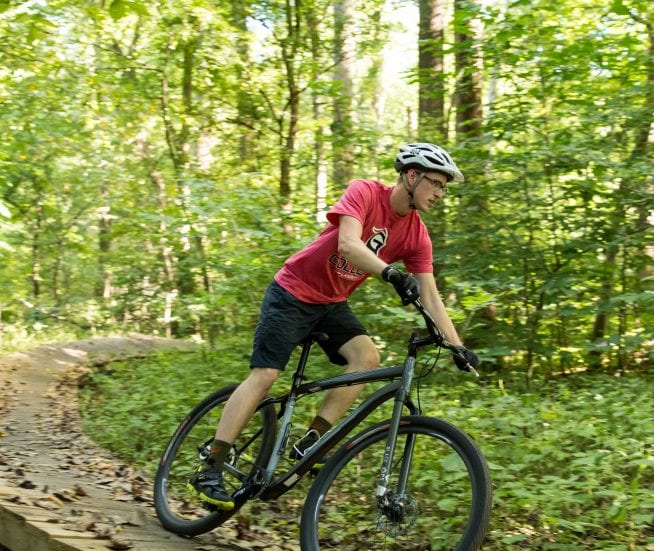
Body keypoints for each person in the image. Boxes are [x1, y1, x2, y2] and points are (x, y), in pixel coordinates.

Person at [188, 142, 480, 510]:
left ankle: (312, 439)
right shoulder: (365, 192)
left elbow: (431, 297)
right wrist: (389, 272)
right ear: (411, 175)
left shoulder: (417, 234)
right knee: (265, 375)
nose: (440, 193)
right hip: (291, 292)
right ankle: (211, 466)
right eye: (435, 183)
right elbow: (347, 244)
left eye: (444, 187)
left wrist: (456, 347)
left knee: (366, 357)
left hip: (330, 303)